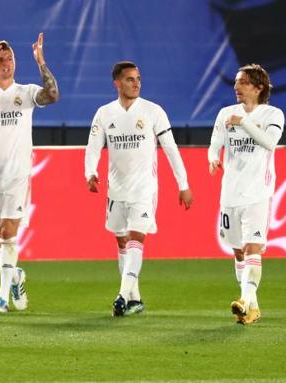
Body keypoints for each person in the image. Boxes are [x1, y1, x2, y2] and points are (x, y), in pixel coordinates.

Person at [85, 61, 194, 317]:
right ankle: (134, 298)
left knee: (137, 238)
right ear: (117, 83)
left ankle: (122, 295)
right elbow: (92, 147)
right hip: (116, 190)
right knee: (121, 240)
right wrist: (90, 172)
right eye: (130, 79)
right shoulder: (104, 113)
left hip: (144, 190)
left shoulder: (153, 111)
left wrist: (184, 184)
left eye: (138, 79)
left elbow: (171, 149)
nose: (136, 83)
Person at [0, 33, 59, 313]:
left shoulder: (26, 92)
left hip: (17, 174)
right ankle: (15, 275)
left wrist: (41, 62)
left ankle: (2, 297)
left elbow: (52, 95)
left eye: (10, 59)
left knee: (8, 234)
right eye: (1, 59)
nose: (6, 64)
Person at [208, 63, 284, 325]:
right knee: (239, 251)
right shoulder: (225, 114)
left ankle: (244, 300)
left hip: (257, 193)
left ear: (258, 87)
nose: (236, 86)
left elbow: (270, 143)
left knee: (253, 248)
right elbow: (215, 143)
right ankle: (251, 307)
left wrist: (244, 122)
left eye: (242, 82)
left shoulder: (273, 114)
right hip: (230, 193)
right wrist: (212, 158)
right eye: (236, 82)